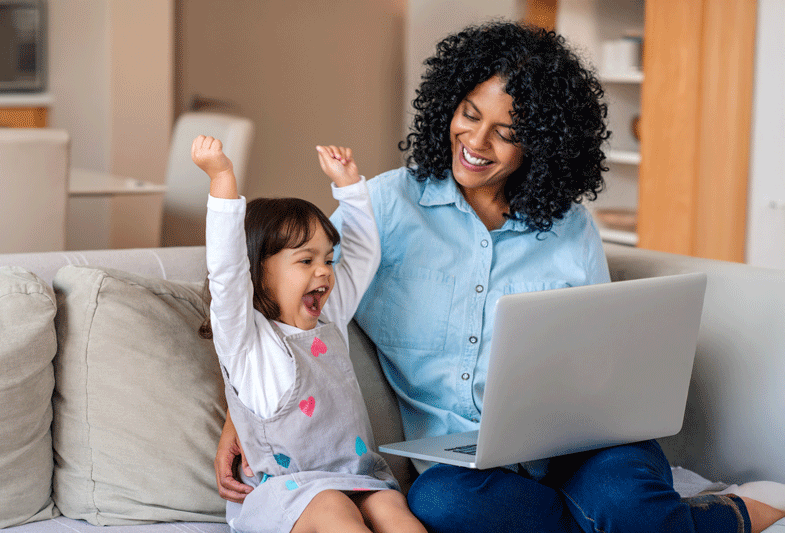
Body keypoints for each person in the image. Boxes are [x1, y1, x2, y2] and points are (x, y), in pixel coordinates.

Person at [212, 21, 785, 533]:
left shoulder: (570, 227)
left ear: (542, 143)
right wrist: (241, 416)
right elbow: (282, 302)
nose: (477, 143)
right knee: (444, 506)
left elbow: (607, 353)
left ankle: (661, 517)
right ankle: (704, 522)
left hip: (583, 442)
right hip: (466, 466)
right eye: (470, 114)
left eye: (507, 131)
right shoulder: (385, 206)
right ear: (448, 106)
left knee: (621, 496)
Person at [193, 135, 428, 533]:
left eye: (327, 259)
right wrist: (222, 178)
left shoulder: (328, 320)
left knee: (391, 505)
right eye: (306, 260)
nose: (324, 271)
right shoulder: (248, 343)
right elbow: (227, 271)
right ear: (257, 272)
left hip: (358, 479)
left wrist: (350, 188)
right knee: (332, 506)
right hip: (288, 496)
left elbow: (362, 255)